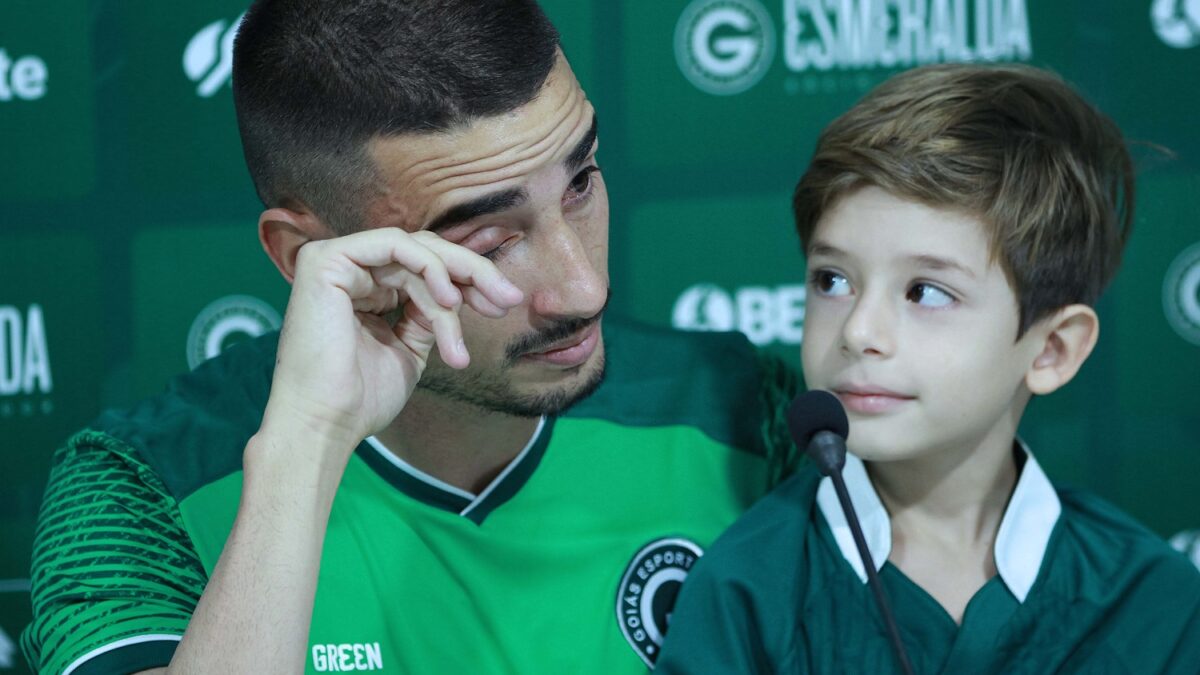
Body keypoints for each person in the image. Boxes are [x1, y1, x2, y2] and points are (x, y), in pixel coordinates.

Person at [20, 1, 798, 673]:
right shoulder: (138, 487)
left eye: (582, 181)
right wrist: (306, 444)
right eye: (490, 242)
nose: (583, 288)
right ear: (307, 256)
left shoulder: (751, 413)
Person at [655, 63, 1200, 673]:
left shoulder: (1156, 602)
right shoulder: (749, 589)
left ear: (1053, 350)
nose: (859, 331)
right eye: (832, 281)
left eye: (926, 292)